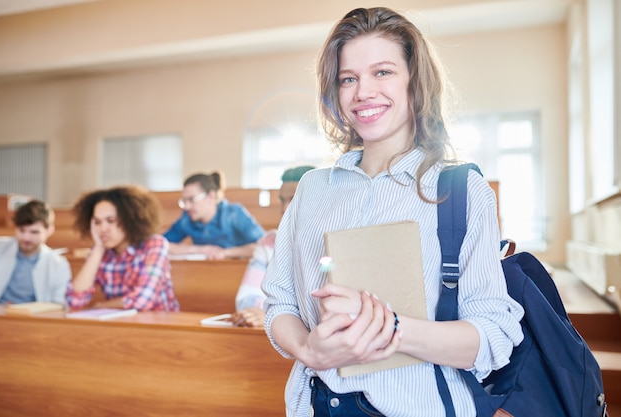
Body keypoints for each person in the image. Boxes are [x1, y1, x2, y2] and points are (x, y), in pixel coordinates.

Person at [262, 7, 524, 417]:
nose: (362, 91)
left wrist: (389, 329)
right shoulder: (313, 188)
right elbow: (280, 304)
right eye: (348, 78)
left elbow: (491, 336)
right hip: (315, 404)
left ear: (414, 82)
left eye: (382, 72)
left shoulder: (460, 189)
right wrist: (308, 349)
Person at [66, 185, 179, 312]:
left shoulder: (155, 244)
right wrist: (98, 249)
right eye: (97, 222)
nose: (103, 229)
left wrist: (102, 306)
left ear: (129, 219)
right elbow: (74, 301)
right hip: (121, 325)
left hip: (160, 326)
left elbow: (143, 300)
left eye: (110, 220)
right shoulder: (101, 252)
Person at [231, 165, 315, 327]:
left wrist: (274, 313)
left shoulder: (332, 241)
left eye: (293, 199)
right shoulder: (269, 242)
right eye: (282, 200)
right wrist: (275, 315)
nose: (284, 208)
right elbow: (245, 299)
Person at [163, 171, 265, 259]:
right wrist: (200, 250)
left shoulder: (234, 213)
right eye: (184, 201)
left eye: (192, 199)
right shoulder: (187, 219)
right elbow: (160, 244)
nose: (187, 206)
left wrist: (225, 253)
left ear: (211, 196)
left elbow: (265, 246)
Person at [0, 200, 71, 305]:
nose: (26, 238)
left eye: (34, 232)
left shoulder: (58, 264)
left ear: (49, 230)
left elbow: (60, 304)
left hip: (31, 319)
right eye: (21, 230)